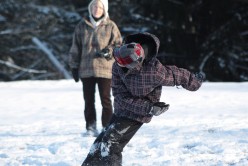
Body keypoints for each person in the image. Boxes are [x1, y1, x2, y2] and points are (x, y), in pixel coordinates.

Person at [81, 32, 205, 165]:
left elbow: (177, 75)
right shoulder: (118, 64)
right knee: (100, 144)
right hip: (121, 108)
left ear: (135, 63)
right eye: (118, 60)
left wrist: (195, 82)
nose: (118, 64)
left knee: (111, 142)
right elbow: (120, 95)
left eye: (122, 63)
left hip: (138, 113)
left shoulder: (154, 72)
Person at [68, 0, 122, 136]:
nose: (96, 9)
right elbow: (75, 48)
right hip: (86, 70)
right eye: (94, 6)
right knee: (88, 100)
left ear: (104, 9)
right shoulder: (81, 26)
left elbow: (118, 45)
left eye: (99, 7)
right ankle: (91, 128)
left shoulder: (111, 25)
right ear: (90, 8)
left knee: (106, 99)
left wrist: (109, 51)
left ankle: (107, 127)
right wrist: (74, 66)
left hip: (105, 69)